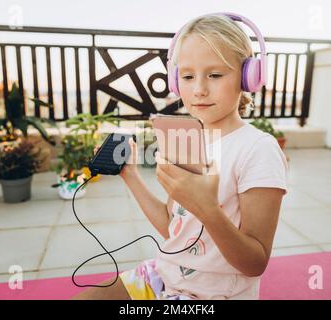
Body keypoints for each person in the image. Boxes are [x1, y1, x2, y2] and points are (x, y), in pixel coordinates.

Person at [72, 12, 288, 300]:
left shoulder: (258, 149)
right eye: (187, 76)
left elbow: (254, 263)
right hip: (164, 277)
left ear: (248, 75)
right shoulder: (185, 140)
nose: (198, 89)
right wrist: (131, 176)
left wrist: (208, 210)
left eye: (215, 74)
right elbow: (173, 228)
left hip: (212, 295)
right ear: (175, 81)